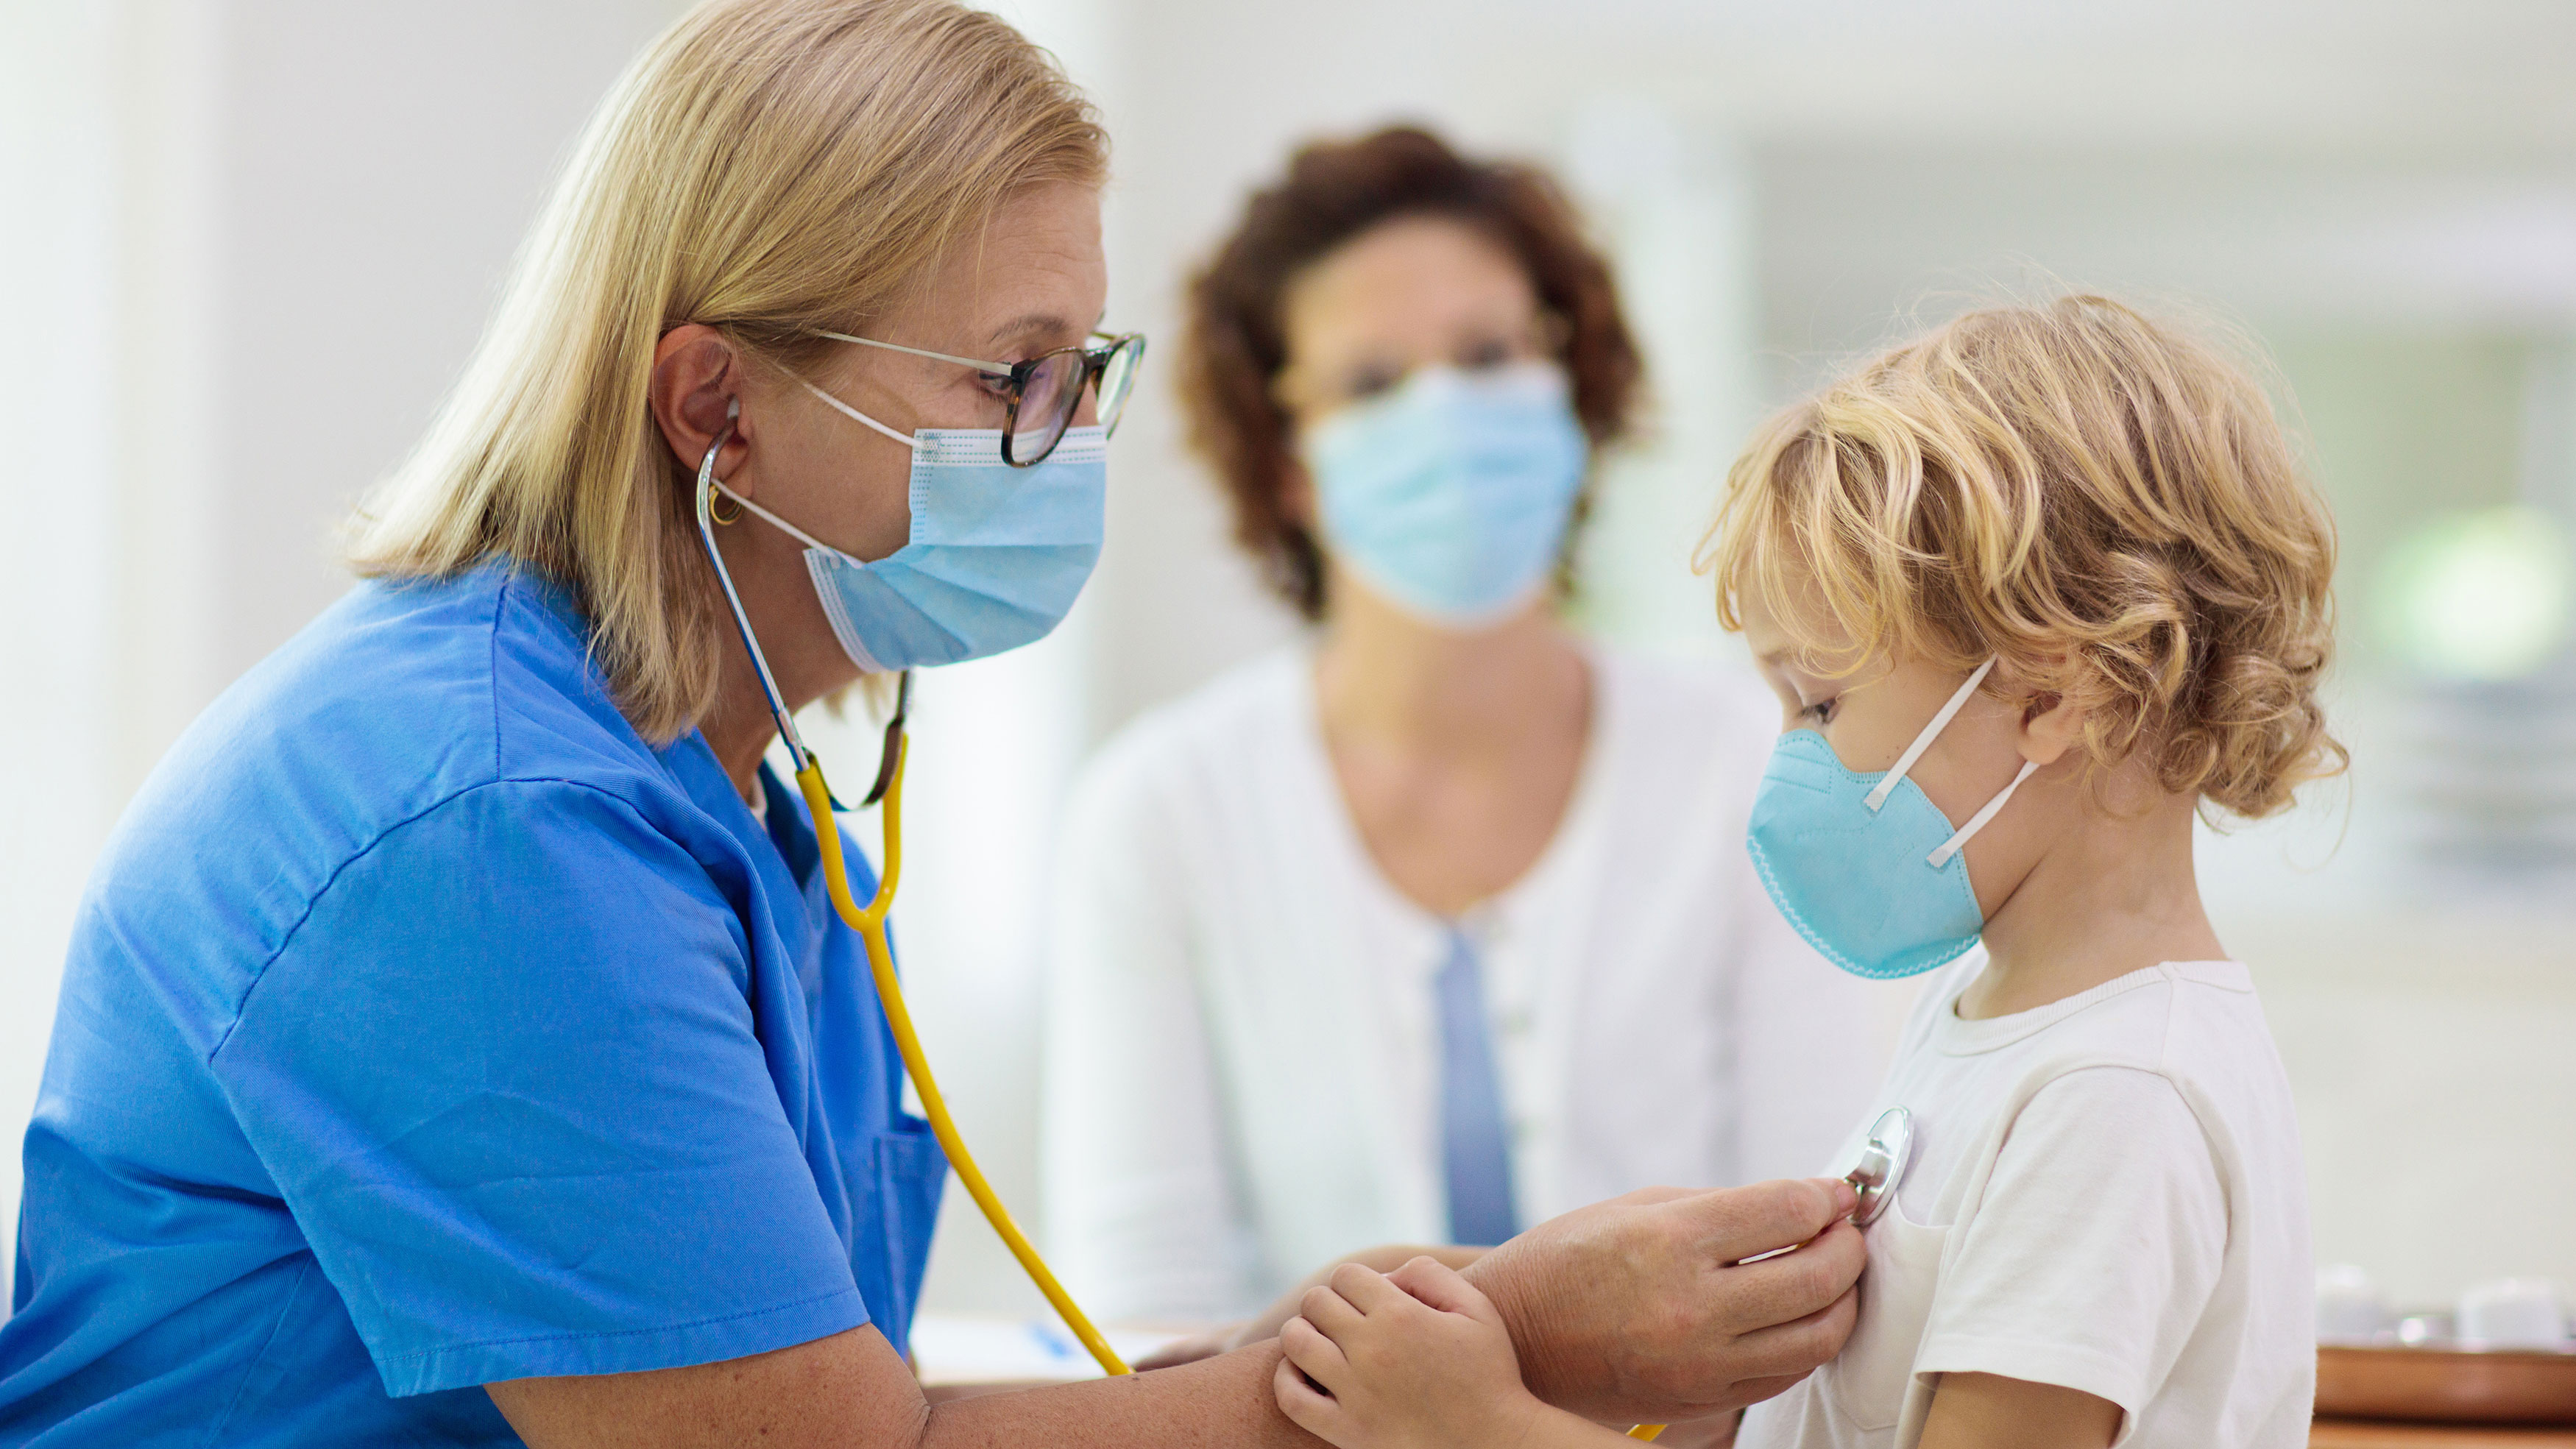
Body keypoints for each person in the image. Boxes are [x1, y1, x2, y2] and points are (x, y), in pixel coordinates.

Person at [0, 3, 1871, 1445]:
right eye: (1012, 377)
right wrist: (1511, 1338)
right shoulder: (482, 823)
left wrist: (1453, 1325)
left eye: (1085, 371)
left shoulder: (725, 805)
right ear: (717, 407)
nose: (1064, 442)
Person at [1263, 296, 2334, 1449]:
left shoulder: (2115, 1097)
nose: (1790, 756)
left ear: (2049, 695)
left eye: (1821, 701)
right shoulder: (1995, 1018)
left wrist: (1474, 1427)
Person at [1041, 125, 1881, 1333]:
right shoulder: (1162, 811)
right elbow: (1140, 1322)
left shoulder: (1753, 762)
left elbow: (1818, 1255)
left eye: (1490, 354)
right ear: (1286, 462)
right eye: (1373, 383)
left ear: (1572, 383)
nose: (1447, 414)